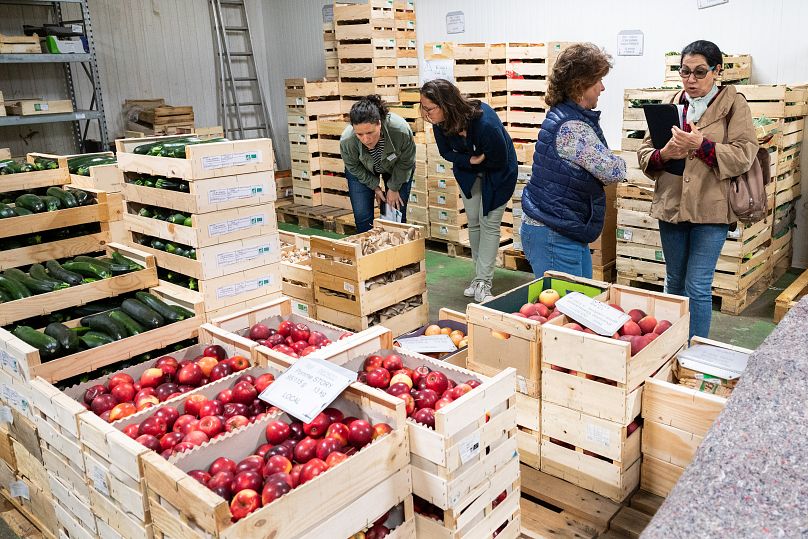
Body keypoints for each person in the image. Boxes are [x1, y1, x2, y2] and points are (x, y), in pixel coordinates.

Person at [638, 40, 757, 338]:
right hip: (672, 206)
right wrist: (664, 154)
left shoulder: (734, 104)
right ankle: (668, 345)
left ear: (717, 71)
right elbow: (645, 151)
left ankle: (696, 351)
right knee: (674, 281)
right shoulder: (672, 101)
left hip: (711, 209)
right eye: (685, 71)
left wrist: (701, 145)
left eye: (700, 72)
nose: (690, 80)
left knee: (698, 285)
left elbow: (745, 153)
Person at [521, 43, 626, 280]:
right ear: (580, 83)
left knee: (579, 304)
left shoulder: (566, 116)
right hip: (554, 233)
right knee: (565, 309)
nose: (602, 87)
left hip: (562, 227)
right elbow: (613, 171)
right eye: (598, 79)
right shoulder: (572, 128)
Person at [420, 79, 517, 303]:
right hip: (469, 171)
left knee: (489, 223)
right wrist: (471, 159)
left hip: (499, 174)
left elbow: (499, 159)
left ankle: (484, 281)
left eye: (429, 109)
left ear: (447, 104)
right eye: (423, 108)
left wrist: (476, 161)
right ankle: (478, 277)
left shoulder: (485, 123)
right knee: (473, 220)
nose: (426, 114)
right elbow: (446, 153)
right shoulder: (440, 124)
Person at [340, 95, 416, 233]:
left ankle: (394, 251)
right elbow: (353, 167)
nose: (366, 139)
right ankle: (368, 251)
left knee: (394, 213)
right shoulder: (347, 140)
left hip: (397, 168)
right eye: (360, 134)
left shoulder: (400, 130)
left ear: (379, 124)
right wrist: (374, 186)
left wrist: (393, 188)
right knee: (362, 215)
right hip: (362, 170)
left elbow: (407, 161)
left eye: (370, 132)